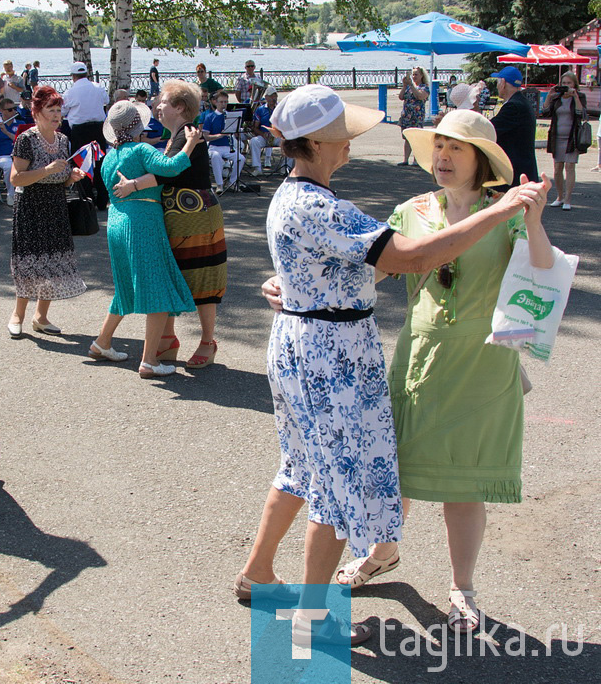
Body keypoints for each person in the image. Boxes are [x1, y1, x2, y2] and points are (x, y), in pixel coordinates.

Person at [235, 84, 546, 645]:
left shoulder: (291, 196)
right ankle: (312, 618)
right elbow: (414, 257)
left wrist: (296, 286)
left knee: (302, 467)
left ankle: (258, 573)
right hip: (333, 353)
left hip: (303, 339)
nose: (353, 140)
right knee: (336, 484)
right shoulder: (325, 205)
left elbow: (357, 265)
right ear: (323, 140)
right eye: (346, 132)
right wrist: (499, 209)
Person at [334, 110, 553, 635]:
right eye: (438, 148)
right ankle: (380, 554)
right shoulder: (411, 211)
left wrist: (536, 220)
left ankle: (463, 588)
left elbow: (542, 275)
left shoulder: (506, 212)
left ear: (482, 160)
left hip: (483, 362)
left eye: (456, 149)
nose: (443, 158)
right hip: (421, 356)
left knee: (465, 482)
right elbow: (374, 271)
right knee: (399, 468)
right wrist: (295, 291)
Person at [112, 80, 226, 369]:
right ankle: (168, 338)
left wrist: (134, 185)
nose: (156, 105)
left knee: (201, 278)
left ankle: (207, 341)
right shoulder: (178, 136)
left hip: (195, 212)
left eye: (161, 101)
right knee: (170, 273)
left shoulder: (190, 135)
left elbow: (170, 173)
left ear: (179, 107)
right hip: (175, 213)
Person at [89, 102, 203, 377]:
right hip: (142, 222)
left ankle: (102, 343)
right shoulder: (141, 150)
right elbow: (173, 167)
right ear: (138, 126)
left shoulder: (108, 156)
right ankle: (149, 361)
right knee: (157, 289)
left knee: (126, 287)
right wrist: (190, 143)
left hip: (116, 221)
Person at [8, 86, 88, 338]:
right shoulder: (26, 139)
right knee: (29, 264)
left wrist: (71, 177)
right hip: (31, 208)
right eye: (51, 110)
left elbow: (61, 178)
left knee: (52, 264)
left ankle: (41, 317)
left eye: (58, 111)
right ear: (37, 112)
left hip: (56, 207)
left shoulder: (63, 140)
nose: (56, 116)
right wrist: (47, 170)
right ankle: (17, 315)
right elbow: (16, 179)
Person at [62, 61, 110, 210]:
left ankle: (87, 200)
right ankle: (102, 200)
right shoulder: (98, 87)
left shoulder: (70, 92)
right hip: (98, 129)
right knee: (99, 163)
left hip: (80, 130)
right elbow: (106, 101)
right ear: (86, 74)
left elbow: (63, 111)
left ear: (73, 76)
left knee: (81, 164)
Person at [543, 71, 587, 210]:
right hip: (557, 137)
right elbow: (545, 112)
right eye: (563, 83)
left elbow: (581, 113)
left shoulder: (580, 96)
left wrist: (575, 97)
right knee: (557, 168)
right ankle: (559, 197)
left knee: (570, 166)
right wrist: (549, 96)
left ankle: (568, 199)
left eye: (569, 83)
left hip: (572, 138)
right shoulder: (557, 98)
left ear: (574, 84)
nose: (566, 86)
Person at [490, 66, 539, 186]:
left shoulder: (513, 106)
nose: (497, 86)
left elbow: (490, 129)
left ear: (503, 83)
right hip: (522, 172)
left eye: (498, 82)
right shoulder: (521, 102)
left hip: (516, 175)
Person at [201, 90, 242, 191]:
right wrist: (221, 135)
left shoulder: (230, 116)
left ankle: (232, 182)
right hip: (214, 147)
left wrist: (236, 131)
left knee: (241, 158)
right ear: (215, 102)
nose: (224, 104)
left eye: (225, 102)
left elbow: (236, 134)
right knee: (215, 156)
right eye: (221, 102)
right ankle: (219, 185)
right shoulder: (210, 117)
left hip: (227, 146)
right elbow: (205, 137)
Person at [397, 66, 430, 166]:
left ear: (421, 76)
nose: (414, 76)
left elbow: (420, 96)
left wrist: (411, 85)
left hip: (417, 116)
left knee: (416, 137)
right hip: (407, 115)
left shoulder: (424, 87)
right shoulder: (408, 87)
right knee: (407, 138)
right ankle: (405, 159)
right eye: (413, 74)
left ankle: (416, 160)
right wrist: (404, 86)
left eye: (416, 74)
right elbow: (401, 97)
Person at [248, 86, 279, 174]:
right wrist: (262, 134)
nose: (274, 98)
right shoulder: (260, 110)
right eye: (271, 96)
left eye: (275, 96)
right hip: (264, 136)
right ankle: (257, 168)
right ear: (266, 97)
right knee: (254, 141)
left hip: (276, 136)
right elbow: (255, 127)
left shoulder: (279, 108)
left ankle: (284, 168)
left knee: (290, 142)